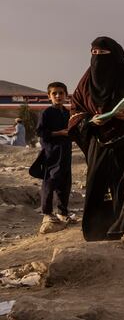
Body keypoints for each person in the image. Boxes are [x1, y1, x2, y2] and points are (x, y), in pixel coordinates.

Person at [69, 36, 124, 241]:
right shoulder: (85, 82)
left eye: (102, 54)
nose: (97, 58)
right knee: (98, 186)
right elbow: (76, 110)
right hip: (101, 143)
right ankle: (100, 231)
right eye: (94, 53)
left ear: (114, 56)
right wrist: (91, 120)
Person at [33, 82, 74, 227]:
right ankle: (47, 213)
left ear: (66, 95)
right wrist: (59, 133)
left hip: (66, 153)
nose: (58, 96)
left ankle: (63, 213)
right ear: (49, 96)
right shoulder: (46, 113)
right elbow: (41, 132)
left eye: (61, 93)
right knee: (50, 182)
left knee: (65, 182)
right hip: (51, 153)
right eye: (54, 93)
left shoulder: (68, 113)